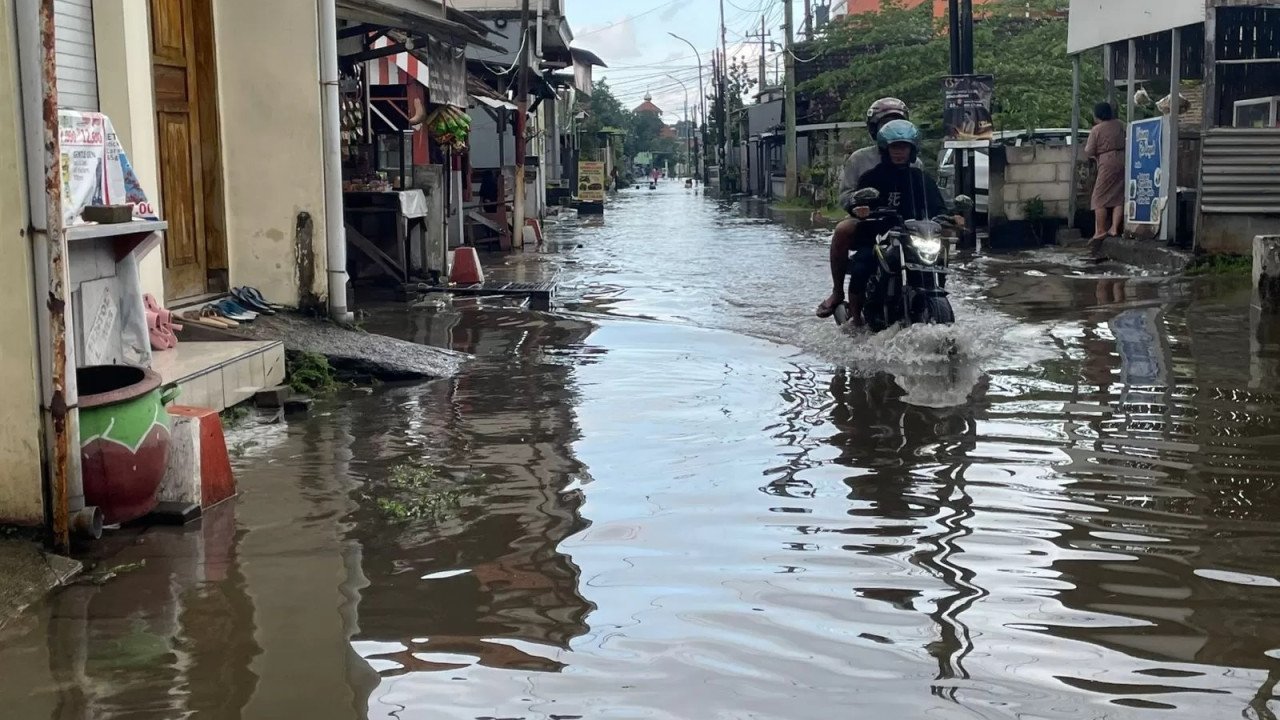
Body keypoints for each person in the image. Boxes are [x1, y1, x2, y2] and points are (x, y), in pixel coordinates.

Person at [817, 119, 953, 325]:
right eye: (895, 147)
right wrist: (860, 209)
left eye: (904, 147)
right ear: (885, 149)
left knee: (937, 259)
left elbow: (938, 207)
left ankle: (931, 297)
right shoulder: (872, 177)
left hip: (913, 238)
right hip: (879, 238)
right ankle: (855, 321)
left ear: (912, 149)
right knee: (862, 265)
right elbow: (855, 202)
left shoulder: (921, 178)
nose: (899, 152)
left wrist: (951, 217)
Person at [837, 98, 922, 212]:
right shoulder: (859, 159)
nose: (892, 130)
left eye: (897, 124)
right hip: (868, 217)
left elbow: (926, 197)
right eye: (886, 125)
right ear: (874, 128)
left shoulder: (915, 163)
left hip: (909, 219)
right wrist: (857, 199)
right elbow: (845, 196)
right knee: (843, 229)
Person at [1085, 101, 1126, 253]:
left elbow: (1089, 151)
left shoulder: (1097, 130)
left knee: (1098, 198)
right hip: (1123, 159)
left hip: (1106, 161)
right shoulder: (1120, 124)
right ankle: (1114, 228)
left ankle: (1100, 230)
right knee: (1118, 195)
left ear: (1097, 114)